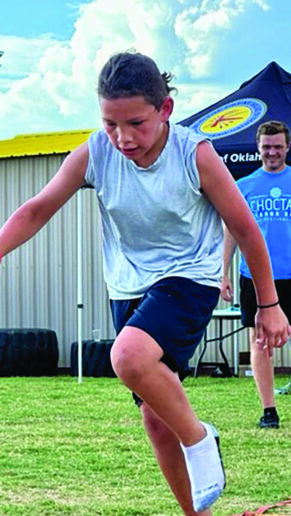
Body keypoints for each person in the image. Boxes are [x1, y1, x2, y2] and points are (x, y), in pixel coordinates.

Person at [0, 53, 290, 515]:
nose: (123, 137)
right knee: (156, 421)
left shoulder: (194, 154)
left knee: (127, 356)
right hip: (128, 287)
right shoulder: (96, 152)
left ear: (165, 110)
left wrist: (270, 304)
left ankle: (200, 439)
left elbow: (245, 227)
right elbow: (35, 210)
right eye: (111, 123)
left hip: (189, 277)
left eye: (135, 122)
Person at [221, 120, 291, 429]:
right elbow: (230, 231)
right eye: (267, 147)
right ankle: (269, 411)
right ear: (258, 148)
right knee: (261, 342)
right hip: (256, 277)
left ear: (287, 147)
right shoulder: (243, 186)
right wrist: (223, 272)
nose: (272, 152)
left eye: (278, 146)